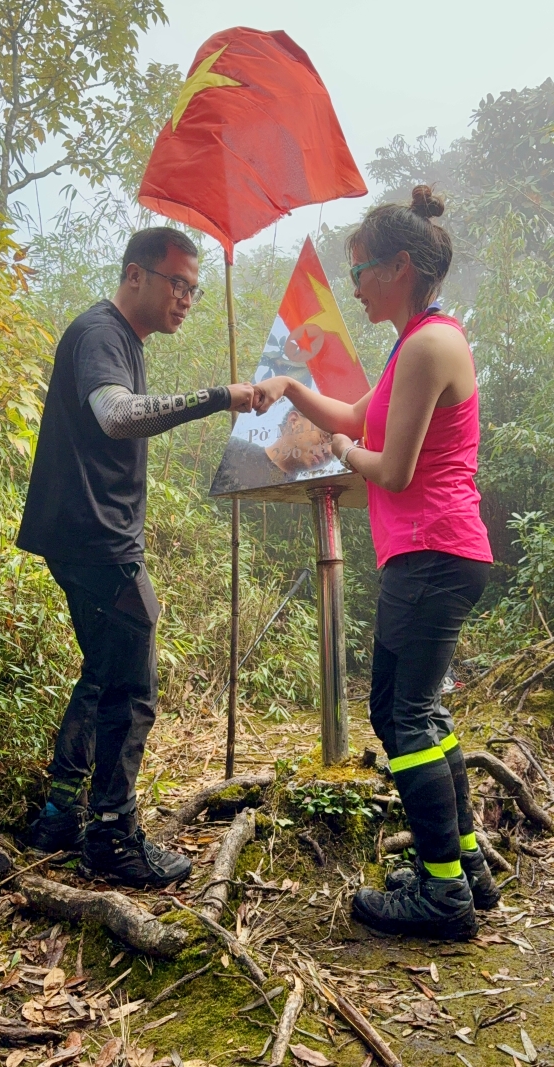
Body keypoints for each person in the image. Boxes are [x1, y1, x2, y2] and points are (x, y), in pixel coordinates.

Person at [253, 186, 499, 941]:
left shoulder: (431, 343)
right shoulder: (411, 344)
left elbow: (386, 465)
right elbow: (359, 413)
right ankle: (461, 867)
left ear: (399, 266)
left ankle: (443, 896)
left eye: (359, 268)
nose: (352, 283)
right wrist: (295, 388)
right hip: (423, 553)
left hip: (434, 549)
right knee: (402, 712)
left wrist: (340, 452)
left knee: (407, 715)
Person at [17, 227, 253, 888]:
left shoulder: (123, 339)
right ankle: (113, 837)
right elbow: (116, 415)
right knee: (132, 687)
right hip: (96, 538)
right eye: (177, 282)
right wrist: (217, 396)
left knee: (102, 674)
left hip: (84, 534)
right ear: (135, 276)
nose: (186, 298)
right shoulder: (102, 334)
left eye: (194, 289)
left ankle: (62, 815)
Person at [211, 404, 333, 493]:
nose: (329, 450)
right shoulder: (232, 451)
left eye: (336, 450)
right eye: (324, 436)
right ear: (294, 421)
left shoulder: (305, 496)